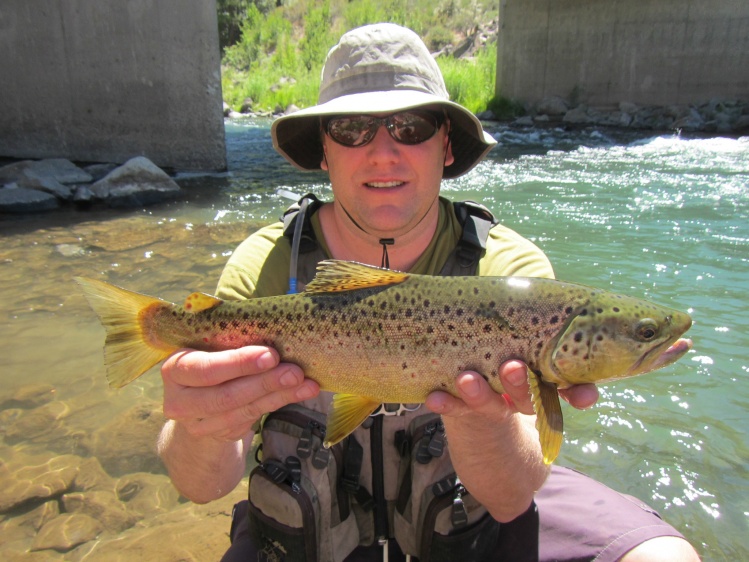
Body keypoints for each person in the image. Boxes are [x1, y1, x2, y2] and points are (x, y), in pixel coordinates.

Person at [157, 23, 700, 562]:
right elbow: (200, 484)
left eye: (410, 126)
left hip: (466, 519)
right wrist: (204, 428)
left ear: (444, 143)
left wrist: (479, 418)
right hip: (312, 524)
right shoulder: (266, 266)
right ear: (324, 149)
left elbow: (512, 495)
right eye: (351, 128)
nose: (383, 153)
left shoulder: (511, 271)